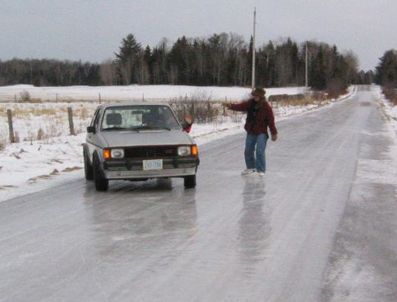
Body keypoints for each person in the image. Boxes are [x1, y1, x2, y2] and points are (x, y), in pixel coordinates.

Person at [224, 87, 277, 176]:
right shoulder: (250, 103)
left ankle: (261, 170)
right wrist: (231, 106)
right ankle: (251, 168)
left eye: (257, 96)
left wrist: (274, 132)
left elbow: (271, 121)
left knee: (260, 151)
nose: (255, 97)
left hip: (261, 132)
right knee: (248, 150)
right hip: (251, 130)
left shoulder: (266, 107)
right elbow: (241, 106)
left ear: (261, 96)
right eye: (254, 95)